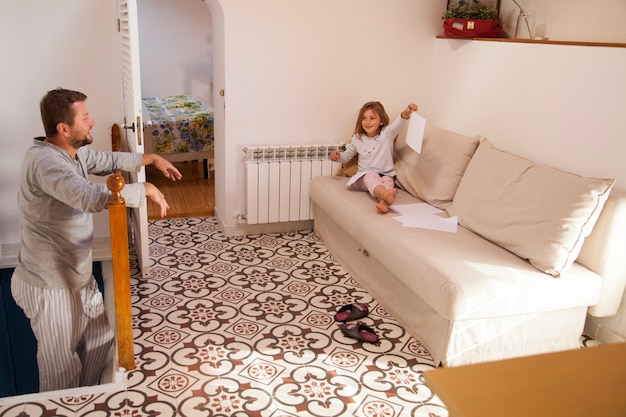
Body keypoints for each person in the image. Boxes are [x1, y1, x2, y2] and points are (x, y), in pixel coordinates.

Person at [10, 87, 182, 391]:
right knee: (59, 370)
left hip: (76, 273)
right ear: (64, 129)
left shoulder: (72, 153)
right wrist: (142, 191)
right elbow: (89, 197)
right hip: (50, 284)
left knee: (102, 340)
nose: (92, 122)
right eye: (85, 118)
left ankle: (86, 400)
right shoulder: (47, 163)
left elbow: (106, 158)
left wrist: (152, 158)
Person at [330, 101, 418, 213]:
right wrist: (337, 157)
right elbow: (346, 157)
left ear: (381, 121)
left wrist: (407, 111)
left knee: (388, 182)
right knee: (372, 176)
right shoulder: (357, 138)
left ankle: (384, 203)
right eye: (364, 118)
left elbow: (399, 123)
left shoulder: (387, 133)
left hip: (385, 174)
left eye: (372, 118)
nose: (367, 122)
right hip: (363, 176)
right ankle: (383, 193)